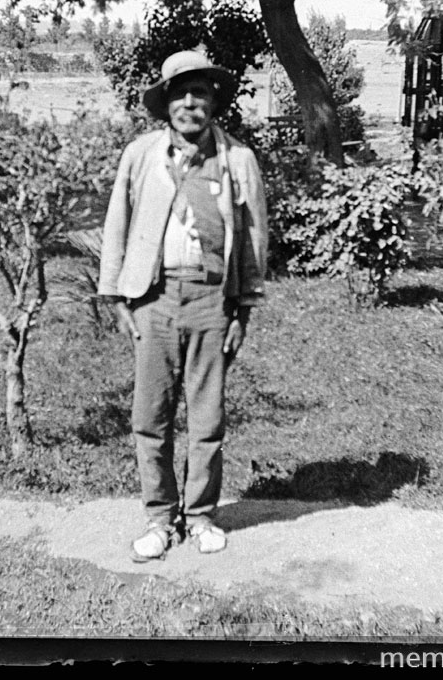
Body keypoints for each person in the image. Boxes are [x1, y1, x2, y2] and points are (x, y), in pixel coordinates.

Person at [97, 50, 269, 563]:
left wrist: (242, 310)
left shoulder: (238, 160)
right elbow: (118, 225)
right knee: (150, 415)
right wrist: (118, 296)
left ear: (214, 101)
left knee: (207, 416)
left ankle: (200, 517)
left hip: (211, 300)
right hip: (153, 298)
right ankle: (158, 518)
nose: (190, 103)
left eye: (200, 93)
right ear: (166, 102)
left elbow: (256, 237)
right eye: (180, 93)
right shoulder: (141, 155)